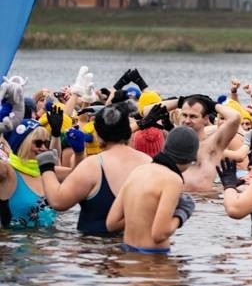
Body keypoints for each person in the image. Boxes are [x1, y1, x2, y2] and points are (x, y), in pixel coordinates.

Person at [38, 104, 152, 235]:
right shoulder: (148, 162)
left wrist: (46, 167)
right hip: (138, 247)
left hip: (95, 250)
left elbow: (58, 201)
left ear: (98, 134)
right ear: (128, 132)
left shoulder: (93, 165)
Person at [106, 126, 199, 254]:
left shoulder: (139, 170)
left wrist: (142, 212)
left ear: (164, 148)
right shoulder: (173, 180)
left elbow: (111, 223)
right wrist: (182, 213)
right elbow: (159, 234)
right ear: (192, 159)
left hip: (127, 256)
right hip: (154, 260)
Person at [163, 94, 241, 192]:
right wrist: (181, 101)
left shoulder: (213, 144)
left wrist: (212, 104)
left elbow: (235, 117)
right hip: (177, 200)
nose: (187, 121)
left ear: (205, 119)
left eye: (193, 116)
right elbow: (147, 111)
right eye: (184, 115)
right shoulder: (173, 140)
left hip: (203, 202)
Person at [0, 117, 66, 228]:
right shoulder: (8, 171)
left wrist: (79, 153)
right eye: (38, 143)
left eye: (46, 143)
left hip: (50, 243)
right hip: (15, 242)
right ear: (23, 144)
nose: (44, 148)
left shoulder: (46, 171)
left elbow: (81, 173)